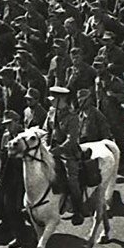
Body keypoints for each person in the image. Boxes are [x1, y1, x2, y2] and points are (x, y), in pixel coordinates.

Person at [43, 86, 86, 224]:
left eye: (53, 99)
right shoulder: (51, 113)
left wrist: (59, 150)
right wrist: (46, 145)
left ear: (61, 100)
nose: (51, 102)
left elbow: (72, 139)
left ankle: (78, 210)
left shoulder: (72, 117)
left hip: (68, 153)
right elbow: (46, 131)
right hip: (52, 149)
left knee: (72, 181)